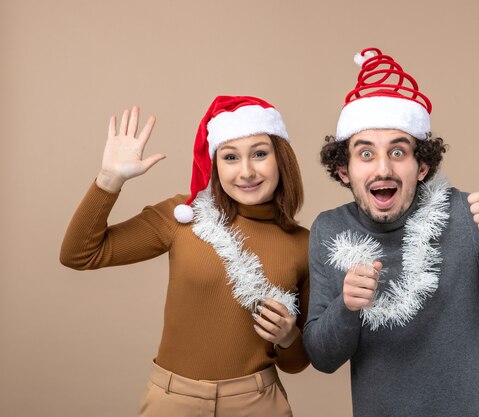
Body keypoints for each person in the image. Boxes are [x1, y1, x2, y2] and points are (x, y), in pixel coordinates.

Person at [302, 47, 479, 417]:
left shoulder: (465, 215)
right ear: (344, 170)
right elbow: (322, 358)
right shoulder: (330, 229)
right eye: (365, 154)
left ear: (422, 165)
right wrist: (346, 307)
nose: (383, 169)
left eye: (398, 152)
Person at [60, 96, 309, 417]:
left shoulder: (302, 244)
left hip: (257, 402)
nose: (246, 171)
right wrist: (110, 179)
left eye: (260, 154)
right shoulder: (183, 216)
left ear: (281, 159)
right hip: (173, 400)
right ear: (215, 165)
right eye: (230, 157)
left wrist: (289, 338)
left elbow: (297, 364)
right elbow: (79, 254)